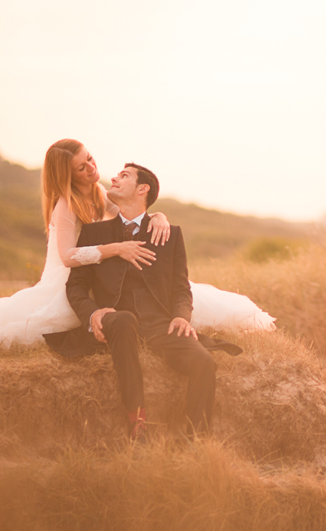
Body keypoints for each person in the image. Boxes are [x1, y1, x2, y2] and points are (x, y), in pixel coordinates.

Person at [0, 139, 274, 350]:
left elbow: (134, 211)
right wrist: (115, 250)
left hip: (105, 275)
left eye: (90, 159)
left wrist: (159, 217)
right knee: (27, 331)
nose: (92, 168)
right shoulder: (65, 205)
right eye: (82, 166)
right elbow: (68, 257)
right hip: (67, 283)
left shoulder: (100, 192)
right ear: (67, 174)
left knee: (190, 296)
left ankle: (252, 322)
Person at [49, 163, 230, 440]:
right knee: (123, 319)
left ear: (142, 189)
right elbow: (75, 286)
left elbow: (181, 288)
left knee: (204, 362)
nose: (113, 178)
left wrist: (182, 316)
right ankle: (137, 423)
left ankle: (196, 439)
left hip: (159, 325)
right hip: (117, 322)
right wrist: (93, 314)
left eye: (124, 176)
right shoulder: (94, 234)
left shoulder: (170, 234)